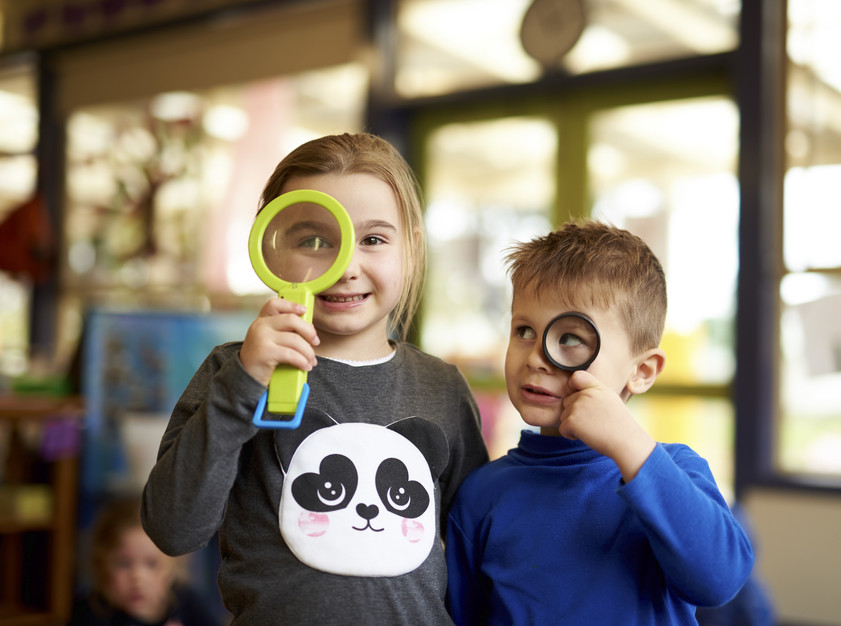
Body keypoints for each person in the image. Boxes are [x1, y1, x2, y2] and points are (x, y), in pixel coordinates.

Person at [141, 132, 489, 624]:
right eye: (314, 240)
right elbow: (172, 529)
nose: (345, 267)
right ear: (274, 250)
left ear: (410, 248)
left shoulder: (443, 388)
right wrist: (242, 385)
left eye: (372, 239)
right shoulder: (231, 371)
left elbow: (474, 548)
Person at [445, 221, 754, 625]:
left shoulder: (677, 472)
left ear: (641, 371)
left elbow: (719, 581)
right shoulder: (482, 494)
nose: (536, 356)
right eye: (523, 330)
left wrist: (630, 444)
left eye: (570, 338)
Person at [69, 498, 218, 626]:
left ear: (172, 569)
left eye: (152, 564)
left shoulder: (186, 603)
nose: (137, 577)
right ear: (102, 565)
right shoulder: (91, 613)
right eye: (124, 563)